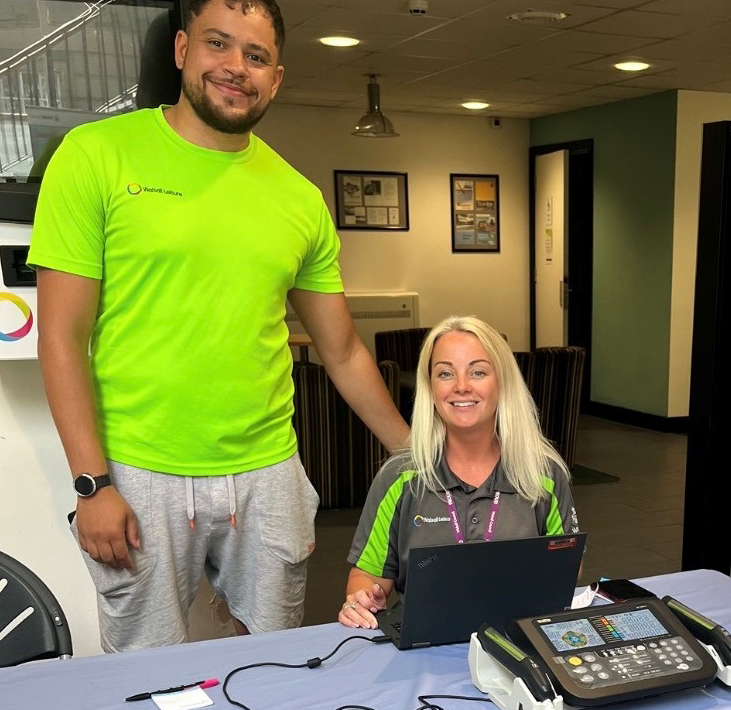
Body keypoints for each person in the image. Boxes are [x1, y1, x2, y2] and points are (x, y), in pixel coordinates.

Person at [28, 0, 409, 652]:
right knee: (146, 673)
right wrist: (92, 485)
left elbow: (342, 349)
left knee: (274, 661)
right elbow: (61, 337)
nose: (236, 68)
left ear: (277, 77)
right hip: (139, 467)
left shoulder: (297, 198)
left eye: (256, 55)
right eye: (219, 45)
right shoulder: (95, 156)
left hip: (268, 471)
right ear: (181, 51)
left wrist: (414, 454)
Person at [340, 316, 580, 628]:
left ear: (502, 382)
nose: (461, 387)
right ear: (430, 387)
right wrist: (360, 600)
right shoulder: (399, 477)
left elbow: (567, 569)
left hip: (518, 640)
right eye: (445, 373)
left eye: (478, 372)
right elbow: (367, 576)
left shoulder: (543, 474)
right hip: (424, 648)